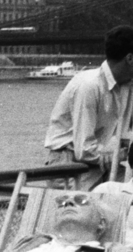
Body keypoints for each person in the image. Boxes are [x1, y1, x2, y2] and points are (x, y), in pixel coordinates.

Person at [46, 26, 133, 188]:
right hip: (70, 164)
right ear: (130, 58)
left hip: (100, 161)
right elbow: (83, 148)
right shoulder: (89, 86)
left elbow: (124, 136)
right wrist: (118, 154)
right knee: (80, 211)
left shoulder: (126, 86)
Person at [0, 189, 133, 252]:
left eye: (81, 200)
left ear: (101, 223)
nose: (68, 203)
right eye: (61, 203)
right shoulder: (27, 243)